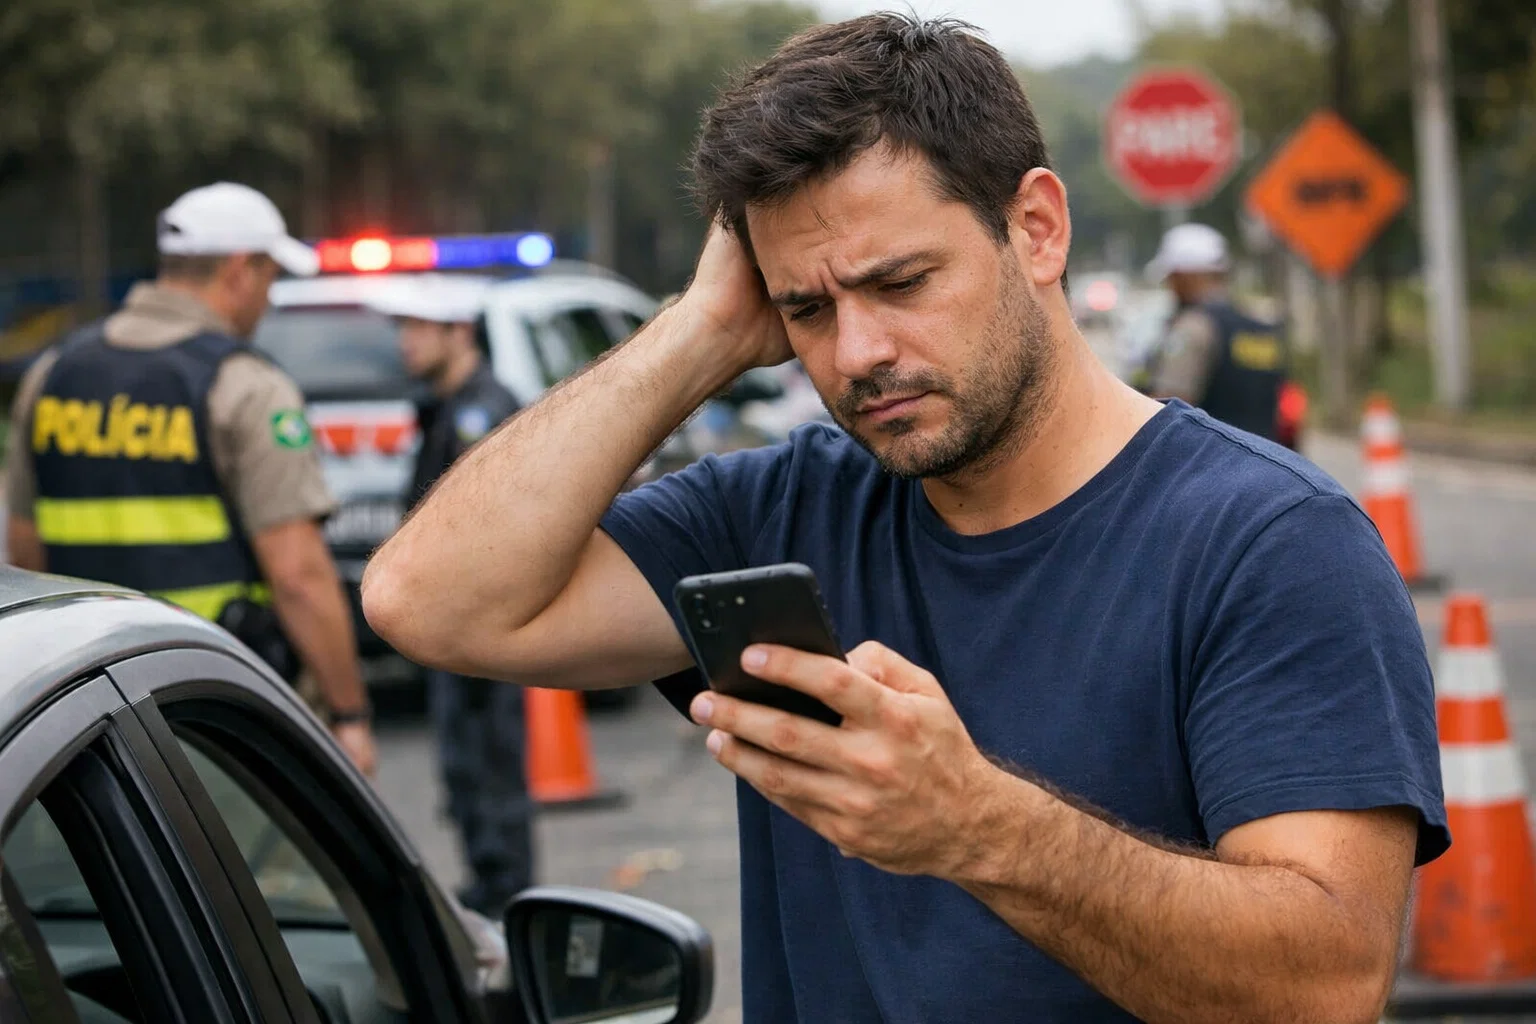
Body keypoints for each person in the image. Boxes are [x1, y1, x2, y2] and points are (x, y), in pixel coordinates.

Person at [362, 14, 1445, 1024]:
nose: (857, 351)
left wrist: (981, 827)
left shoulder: (1269, 541)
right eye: (808, 309)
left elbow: (1329, 982)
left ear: (1036, 229)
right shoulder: (783, 507)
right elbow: (429, 601)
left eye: (901, 281)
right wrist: (699, 332)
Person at [4, 182, 376, 775]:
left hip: (82, 714)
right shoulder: (246, 386)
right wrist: (348, 716)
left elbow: (23, 546)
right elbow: (299, 575)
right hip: (218, 707)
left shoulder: (52, 374)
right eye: (270, 278)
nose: (268, 297)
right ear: (240, 272)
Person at [367, 275, 532, 916]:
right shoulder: (443, 404)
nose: (403, 343)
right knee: (465, 774)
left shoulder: (481, 409)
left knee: (490, 774)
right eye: (400, 329)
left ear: (458, 332)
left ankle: (508, 906)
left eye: (416, 329)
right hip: (455, 627)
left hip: (482, 628)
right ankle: (490, 890)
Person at [1141, 222, 1290, 442]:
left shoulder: (1194, 327)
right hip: (1267, 459)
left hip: (1210, 464)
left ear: (1186, 276)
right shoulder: (1261, 326)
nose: (1171, 287)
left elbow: (1169, 409)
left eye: (1173, 278)